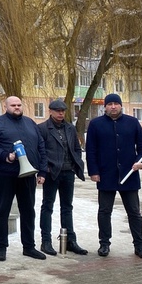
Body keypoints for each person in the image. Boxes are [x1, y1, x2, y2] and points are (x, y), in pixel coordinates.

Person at [85, 93, 142, 259]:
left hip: (129, 175)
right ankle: (104, 243)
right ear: (105, 106)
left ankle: (139, 245)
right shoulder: (95, 124)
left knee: (134, 212)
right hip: (106, 175)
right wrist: (93, 171)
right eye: (110, 104)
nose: (113, 106)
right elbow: (91, 151)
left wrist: (141, 163)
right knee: (104, 211)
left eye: (116, 103)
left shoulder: (132, 122)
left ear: (121, 105)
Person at [0, 96, 48, 262]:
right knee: (2, 210)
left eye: (19, 105)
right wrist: (5, 156)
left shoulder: (30, 123)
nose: (17, 107)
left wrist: (42, 171)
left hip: (28, 174)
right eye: (13, 105)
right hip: (5, 174)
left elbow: (41, 147)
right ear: (6, 106)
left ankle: (29, 246)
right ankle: (1, 247)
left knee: (28, 211)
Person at [37, 98, 87, 256]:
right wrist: (45, 170)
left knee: (67, 207)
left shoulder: (70, 128)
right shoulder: (43, 128)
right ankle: (46, 241)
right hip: (52, 173)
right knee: (47, 207)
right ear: (50, 111)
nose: (60, 113)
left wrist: (75, 164)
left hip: (68, 173)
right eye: (57, 111)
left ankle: (70, 240)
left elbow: (76, 149)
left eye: (63, 111)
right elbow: (40, 151)